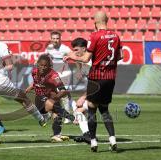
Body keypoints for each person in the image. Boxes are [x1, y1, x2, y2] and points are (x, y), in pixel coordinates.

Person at [64, 11, 123, 152]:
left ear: (95, 22)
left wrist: (72, 56)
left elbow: (85, 59)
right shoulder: (116, 36)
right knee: (105, 110)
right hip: (110, 78)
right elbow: (120, 56)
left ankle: (93, 142)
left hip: (96, 78)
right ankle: (112, 139)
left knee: (91, 109)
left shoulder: (94, 36)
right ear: (107, 20)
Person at [25, 54, 75, 142]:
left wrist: (57, 97)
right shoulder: (34, 71)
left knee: (57, 114)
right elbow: (36, 82)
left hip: (51, 96)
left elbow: (62, 89)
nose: (43, 67)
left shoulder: (54, 75)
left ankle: (56, 135)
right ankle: (73, 118)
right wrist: (29, 88)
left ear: (49, 66)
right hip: (40, 98)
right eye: (41, 65)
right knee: (53, 105)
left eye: (45, 66)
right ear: (37, 65)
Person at [45, 31, 76, 124]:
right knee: (53, 94)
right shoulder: (49, 48)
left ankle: (67, 117)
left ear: (60, 39)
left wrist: (69, 57)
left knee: (64, 95)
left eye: (57, 38)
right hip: (54, 75)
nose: (55, 40)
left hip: (64, 74)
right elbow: (45, 57)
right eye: (53, 38)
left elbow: (73, 55)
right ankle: (52, 112)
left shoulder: (64, 48)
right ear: (51, 39)